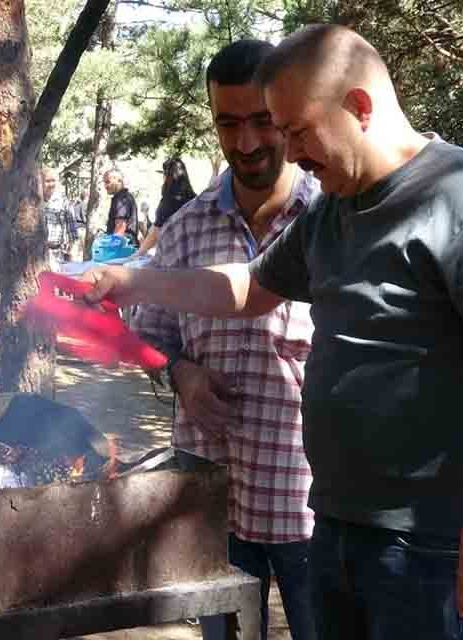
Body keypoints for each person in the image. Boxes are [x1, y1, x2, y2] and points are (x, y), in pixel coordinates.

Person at [83, 24, 463, 640]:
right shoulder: (336, 211)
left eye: (296, 131)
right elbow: (248, 289)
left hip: (427, 545)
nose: (288, 153)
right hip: (336, 525)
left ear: (359, 106)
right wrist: (134, 283)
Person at [130, 39, 319, 640]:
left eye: (263, 122)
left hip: (311, 502)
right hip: (213, 499)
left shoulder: (332, 222)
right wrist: (180, 371)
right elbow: (150, 337)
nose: (246, 144)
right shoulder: (185, 231)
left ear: (287, 114)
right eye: (228, 124)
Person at [134, 157, 197, 257]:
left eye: (163, 174)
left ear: (167, 176)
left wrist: (136, 255)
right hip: (192, 253)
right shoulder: (194, 198)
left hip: (172, 256)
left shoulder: (169, 201)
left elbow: (155, 233)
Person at [42, 167, 83, 262]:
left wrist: (71, 252)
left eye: (53, 181)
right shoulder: (35, 200)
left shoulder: (63, 201)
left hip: (57, 252)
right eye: (47, 181)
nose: (51, 184)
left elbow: (72, 228)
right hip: (38, 253)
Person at [102, 168, 139, 246]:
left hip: (122, 249)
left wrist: (111, 247)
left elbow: (120, 226)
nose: (105, 186)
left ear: (119, 181)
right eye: (104, 183)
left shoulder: (122, 198)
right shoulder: (123, 197)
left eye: (108, 182)